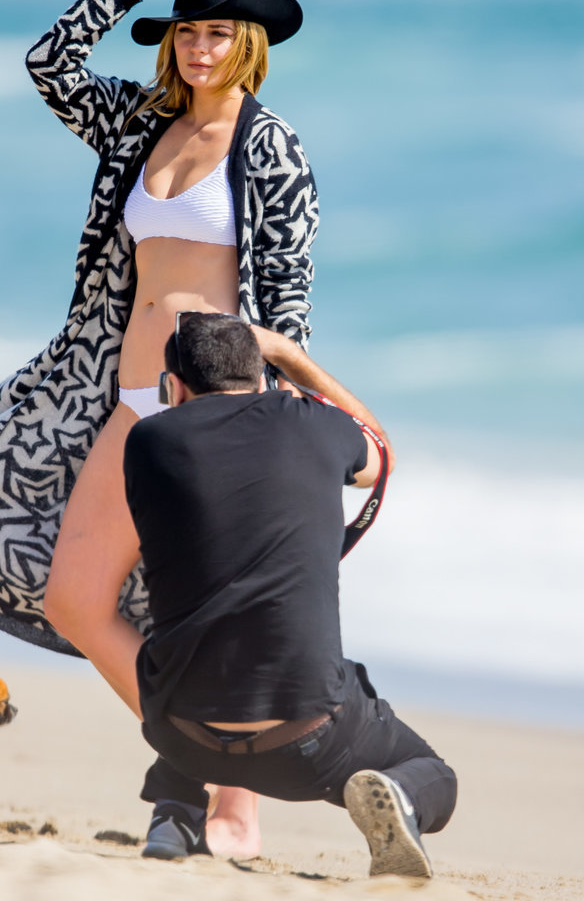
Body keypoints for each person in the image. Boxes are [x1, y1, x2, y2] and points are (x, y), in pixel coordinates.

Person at [0, 0, 385, 855]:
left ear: (250, 44)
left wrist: (311, 415)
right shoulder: (139, 123)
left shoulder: (272, 147)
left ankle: (228, 806)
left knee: (208, 616)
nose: (199, 48)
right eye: (187, 33)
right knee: (77, 598)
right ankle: (198, 763)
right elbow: (49, 64)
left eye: (218, 33)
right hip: (124, 399)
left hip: (217, 414)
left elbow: (286, 310)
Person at [123, 313, 457, 876]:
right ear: (262, 377)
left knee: (199, 660)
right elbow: (381, 457)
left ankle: (175, 814)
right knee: (434, 772)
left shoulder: (147, 442)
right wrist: (292, 358)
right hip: (308, 745)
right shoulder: (317, 428)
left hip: (181, 732)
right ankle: (401, 796)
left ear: (173, 388)